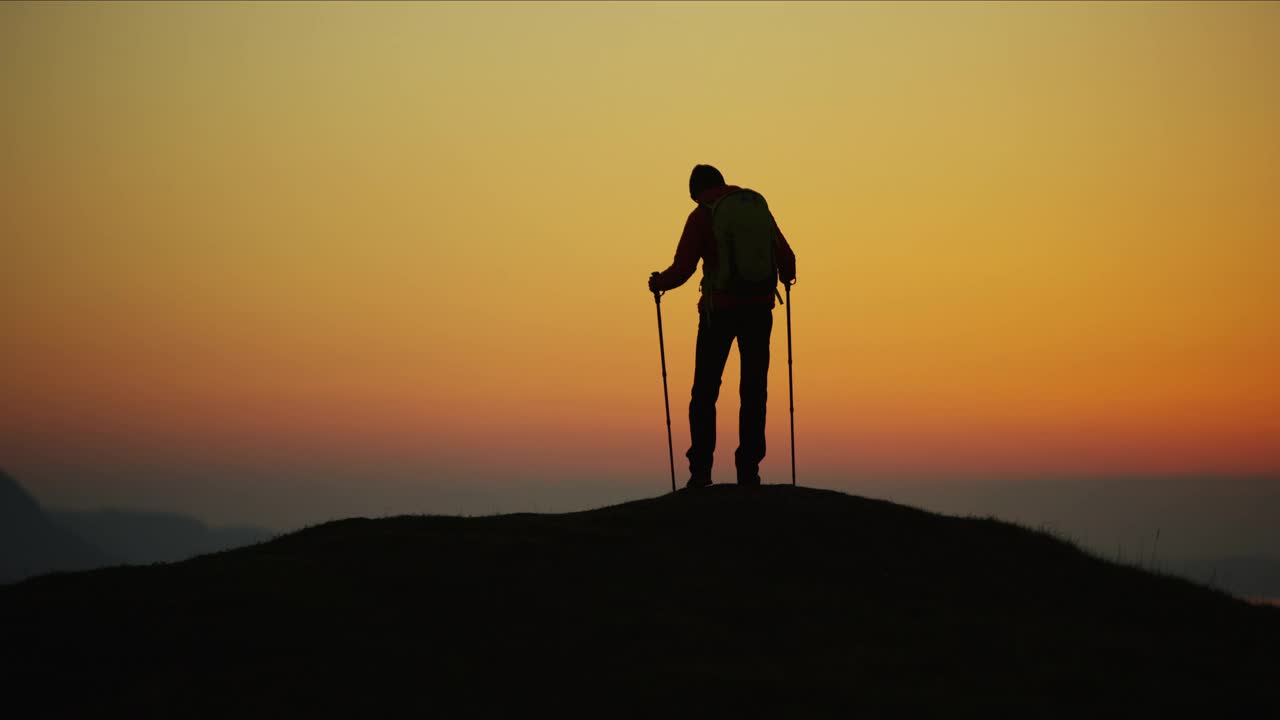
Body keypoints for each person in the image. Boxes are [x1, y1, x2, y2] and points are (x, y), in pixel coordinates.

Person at [648, 164, 797, 488]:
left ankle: (700, 471)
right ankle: (749, 471)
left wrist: (659, 283)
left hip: (720, 311)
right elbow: (788, 260)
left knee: (705, 391)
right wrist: (785, 278)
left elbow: (684, 268)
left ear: (697, 192)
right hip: (760, 310)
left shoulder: (703, 215)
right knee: (754, 390)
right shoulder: (756, 209)